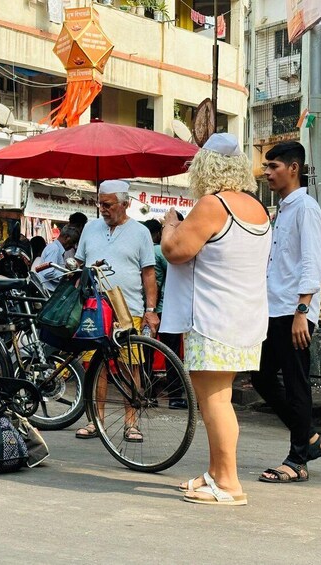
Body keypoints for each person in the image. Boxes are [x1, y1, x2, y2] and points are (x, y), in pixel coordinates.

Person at [161, 133, 271, 506]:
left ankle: (227, 482)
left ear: (204, 167)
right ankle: (216, 473)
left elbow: (176, 251)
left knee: (215, 402)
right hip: (245, 318)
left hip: (212, 320)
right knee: (219, 398)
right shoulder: (257, 207)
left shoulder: (212, 205)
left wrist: (170, 225)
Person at [250, 140, 321, 484]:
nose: (267, 173)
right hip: (274, 309)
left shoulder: (306, 207)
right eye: (267, 167)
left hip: (294, 310)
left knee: (297, 384)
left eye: (273, 167)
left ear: (293, 168)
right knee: (261, 377)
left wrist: (303, 310)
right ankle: (309, 437)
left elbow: (313, 262)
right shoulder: (283, 208)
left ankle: (298, 460)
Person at [73, 180, 158, 442]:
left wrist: (150, 309)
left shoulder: (141, 232)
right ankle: (94, 420)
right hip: (94, 309)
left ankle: (131, 423)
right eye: (100, 203)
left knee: (129, 364)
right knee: (94, 366)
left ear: (125, 204)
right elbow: (78, 266)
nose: (103, 209)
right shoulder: (90, 228)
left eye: (108, 204)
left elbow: (148, 274)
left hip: (127, 309)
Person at [144, 218, 188, 410]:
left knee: (148, 351)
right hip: (174, 309)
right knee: (172, 354)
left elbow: (156, 282)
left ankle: (148, 394)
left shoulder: (159, 251)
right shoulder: (185, 248)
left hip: (159, 308)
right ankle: (175, 396)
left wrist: (150, 309)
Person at [35, 225, 80, 292]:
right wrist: (66, 275)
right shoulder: (54, 248)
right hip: (47, 290)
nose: (73, 246)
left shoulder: (56, 249)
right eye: (73, 242)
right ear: (67, 238)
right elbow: (48, 273)